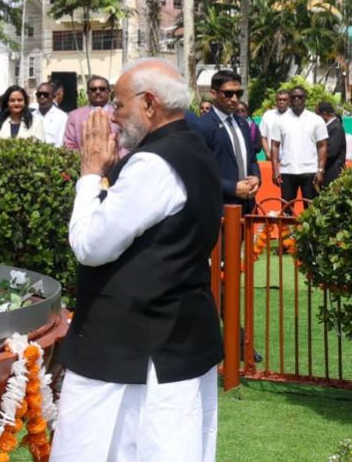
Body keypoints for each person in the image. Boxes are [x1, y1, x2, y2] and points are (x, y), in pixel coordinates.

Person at [56, 58, 223, 462]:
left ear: (149, 104)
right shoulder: (192, 147)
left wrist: (90, 174)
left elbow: (91, 245)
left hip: (136, 341)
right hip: (174, 331)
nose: (112, 117)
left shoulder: (153, 164)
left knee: (120, 445)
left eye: (118, 105)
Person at [186, 69, 260, 212]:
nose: (234, 99)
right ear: (213, 93)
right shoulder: (203, 126)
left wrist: (256, 178)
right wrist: (232, 188)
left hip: (247, 205)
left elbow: (252, 159)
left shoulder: (243, 124)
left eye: (238, 93)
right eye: (228, 94)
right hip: (219, 207)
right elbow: (198, 172)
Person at [270, 88, 327, 206]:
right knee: (286, 211)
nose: (296, 99)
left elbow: (322, 146)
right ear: (289, 100)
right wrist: (275, 170)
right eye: (293, 97)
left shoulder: (316, 120)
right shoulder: (280, 121)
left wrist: (320, 170)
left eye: (300, 97)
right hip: (287, 172)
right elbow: (274, 146)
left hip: (310, 171)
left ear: (305, 99)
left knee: (311, 211)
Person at [64, 75, 120, 152]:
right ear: (87, 93)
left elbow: (127, 146)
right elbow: (68, 144)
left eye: (102, 89)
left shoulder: (120, 114)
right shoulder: (74, 116)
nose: (98, 92)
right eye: (93, 89)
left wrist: (117, 161)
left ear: (109, 92)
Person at [257, 90, 291, 169]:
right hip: (271, 158)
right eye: (279, 99)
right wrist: (268, 154)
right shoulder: (268, 115)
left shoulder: (294, 116)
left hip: (290, 160)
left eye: (284, 100)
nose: (281, 102)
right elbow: (263, 136)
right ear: (276, 101)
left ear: (289, 101)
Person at [316, 101, 347, 184]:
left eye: (317, 114)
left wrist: (315, 160)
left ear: (324, 114)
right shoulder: (328, 127)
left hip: (332, 173)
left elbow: (331, 152)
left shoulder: (335, 127)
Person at [35, 80, 69, 147]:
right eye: (39, 94)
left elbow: (61, 143)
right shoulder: (31, 115)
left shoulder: (62, 117)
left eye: (45, 94)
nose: (41, 97)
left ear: (53, 96)